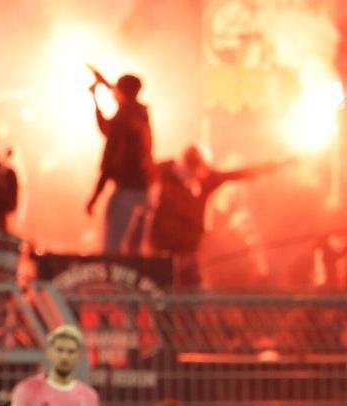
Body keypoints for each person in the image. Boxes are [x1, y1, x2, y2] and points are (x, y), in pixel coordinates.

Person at [147, 146, 290, 287]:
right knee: (161, 286)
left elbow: (238, 174)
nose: (198, 174)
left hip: (189, 247)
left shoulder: (206, 179)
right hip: (163, 245)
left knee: (191, 287)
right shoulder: (164, 172)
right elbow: (144, 173)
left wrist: (274, 165)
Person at [87, 73, 153, 254]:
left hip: (126, 191)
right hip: (145, 190)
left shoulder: (123, 118)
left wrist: (95, 195)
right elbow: (108, 128)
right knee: (135, 252)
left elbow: (110, 159)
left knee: (113, 248)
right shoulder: (141, 114)